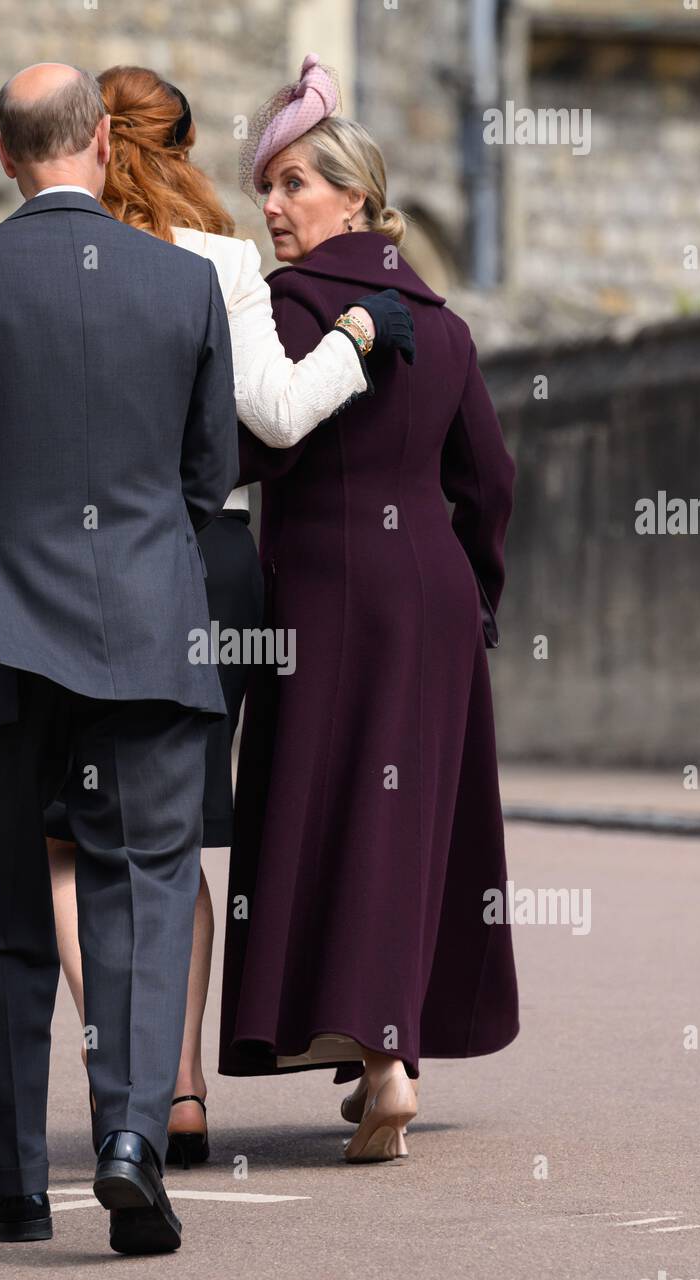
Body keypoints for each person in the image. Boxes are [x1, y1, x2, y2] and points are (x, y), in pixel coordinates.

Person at [0, 62, 238, 1255]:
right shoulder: (184, 284)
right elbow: (205, 476)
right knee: (142, 892)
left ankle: (17, 1185)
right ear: (99, 146)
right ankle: (134, 1140)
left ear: (3, 155)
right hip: (145, 629)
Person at [44, 62, 415, 1166]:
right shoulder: (219, 262)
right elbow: (283, 414)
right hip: (207, 571)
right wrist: (355, 336)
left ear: (91, 144)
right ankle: (182, 1087)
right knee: (173, 843)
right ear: (186, 145)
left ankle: (118, 1063)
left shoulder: (34, 255)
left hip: (70, 569)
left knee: (65, 844)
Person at [218, 57, 519, 1162]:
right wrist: (475, 589)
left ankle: (383, 1063)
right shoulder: (440, 325)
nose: (274, 206)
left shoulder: (283, 312)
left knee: (332, 816)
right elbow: (491, 478)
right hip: (431, 595)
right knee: (405, 820)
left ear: (352, 195)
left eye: (295, 184)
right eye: (269, 187)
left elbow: (244, 450)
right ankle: (386, 1057)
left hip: (322, 596)